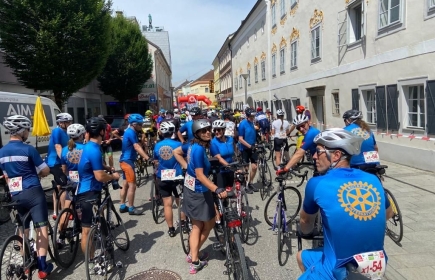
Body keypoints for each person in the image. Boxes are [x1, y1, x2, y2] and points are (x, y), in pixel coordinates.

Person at [295, 128, 392, 280]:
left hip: (338, 269)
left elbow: (306, 222)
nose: (314, 156)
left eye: (318, 151)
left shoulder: (316, 183)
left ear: (336, 155)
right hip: (376, 265)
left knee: (303, 256)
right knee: (302, 256)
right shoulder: (373, 180)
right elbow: (388, 213)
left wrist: (306, 232)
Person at [0, 115, 53, 278]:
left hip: (15, 193)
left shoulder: (1, 152)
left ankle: (26, 262)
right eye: (27, 129)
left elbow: (6, 175)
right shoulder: (28, 149)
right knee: (41, 227)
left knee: (23, 227)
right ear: (21, 131)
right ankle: (43, 266)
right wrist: (39, 173)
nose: (28, 132)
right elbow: (45, 170)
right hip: (32, 192)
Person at [174, 119, 228, 274]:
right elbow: (200, 175)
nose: (208, 132)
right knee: (209, 224)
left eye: (208, 129)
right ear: (197, 134)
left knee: (197, 226)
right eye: (203, 131)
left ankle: (194, 256)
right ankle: (195, 257)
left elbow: (176, 152)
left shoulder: (192, 145)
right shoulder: (198, 149)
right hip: (199, 191)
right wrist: (216, 189)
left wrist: (186, 167)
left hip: (191, 189)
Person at [76, 117, 120, 258]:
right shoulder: (95, 149)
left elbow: (90, 164)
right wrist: (113, 177)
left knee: (86, 229)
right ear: (102, 131)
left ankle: (91, 260)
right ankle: (104, 254)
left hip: (81, 190)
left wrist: (106, 166)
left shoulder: (85, 147)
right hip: (91, 191)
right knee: (90, 229)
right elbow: (100, 176)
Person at [153, 122, 182, 237]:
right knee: (181, 201)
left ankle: (171, 229)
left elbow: (156, 160)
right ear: (173, 132)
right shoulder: (178, 144)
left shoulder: (157, 145)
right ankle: (184, 223)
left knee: (167, 204)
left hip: (163, 176)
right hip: (177, 176)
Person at [119, 113, 150, 215]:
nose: (141, 126)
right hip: (128, 162)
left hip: (124, 160)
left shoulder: (130, 132)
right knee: (132, 186)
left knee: (125, 185)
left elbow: (135, 145)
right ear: (134, 124)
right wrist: (147, 158)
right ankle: (131, 208)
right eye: (140, 124)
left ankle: (123, 206)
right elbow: (136, 147)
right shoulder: (131, 132)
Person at [210, 119, 235, 231]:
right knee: (220, 195)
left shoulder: (230, 140)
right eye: (215, 130)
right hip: (220, 171)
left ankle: (226, 212)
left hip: (230, 170)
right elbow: (219, 158)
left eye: (219, 130)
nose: (216, 132)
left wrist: (237, 166)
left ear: (224, 130)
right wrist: (230, 166)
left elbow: (234, 153)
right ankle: (218, 220)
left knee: (229, 194)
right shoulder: (213, 143)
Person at [47, 112, 72, 220]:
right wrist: (64, 161)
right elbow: (58, 146)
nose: (69, 123)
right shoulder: (57, 130)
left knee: (57, 186)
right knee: (63, 186)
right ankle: (63, 213)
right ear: (61, 122)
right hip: (56, 162)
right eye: (68, 122)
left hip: (59, 161)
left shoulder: (65, 132)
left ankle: (55, 212)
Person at [237, 108, 259, 194]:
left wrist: (256, 143)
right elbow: (240, 139)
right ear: (247, 116)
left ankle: (250, 183)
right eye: (251, 116)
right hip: (245, 149)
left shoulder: (251, 123)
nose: (252, 117)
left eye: (253, 116)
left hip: (253, 147)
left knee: (254, 167)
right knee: (246, 169)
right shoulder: (242, 124)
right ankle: (245, 185)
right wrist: (249, 146)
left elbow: (252, 135)